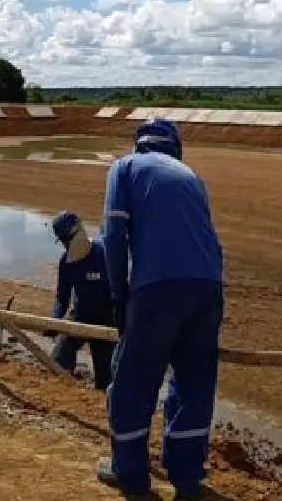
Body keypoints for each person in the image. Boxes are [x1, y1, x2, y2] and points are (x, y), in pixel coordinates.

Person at [95, 118, 225, 500]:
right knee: (194, 384)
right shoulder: (193, 177)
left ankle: (131, 475)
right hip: (208, 287)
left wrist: (119, 296)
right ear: (176, 147)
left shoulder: (125, 167)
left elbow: (114, 236)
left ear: (140, 144)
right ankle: (187, 481)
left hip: (158, 288)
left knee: (133, 381)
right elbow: (210, 241)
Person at [43, 210, 117, 390]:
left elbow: (120, 292)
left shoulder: (104, 253)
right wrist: (54, 321)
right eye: (62, 241)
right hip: (80, 317)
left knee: (105, 380)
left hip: (105, 323)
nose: (66, 245)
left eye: (67, 239)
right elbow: (62, 297)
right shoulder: (66, 263)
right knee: (59, 362)